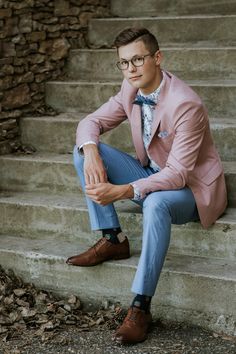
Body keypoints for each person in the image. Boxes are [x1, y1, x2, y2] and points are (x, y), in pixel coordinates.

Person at [66, 27, 227, 344]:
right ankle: (112, 238)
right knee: (83, 151)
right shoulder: (130, 88)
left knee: (155, 202)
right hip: (150, 174)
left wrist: (124, 191)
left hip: (190, 191)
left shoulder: (186, 104)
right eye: (124, 63)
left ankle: (141, 306)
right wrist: (92, 152)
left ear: (157, 57)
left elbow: (178, 174)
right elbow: (90, 122)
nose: (131, 69)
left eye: (138, 59)